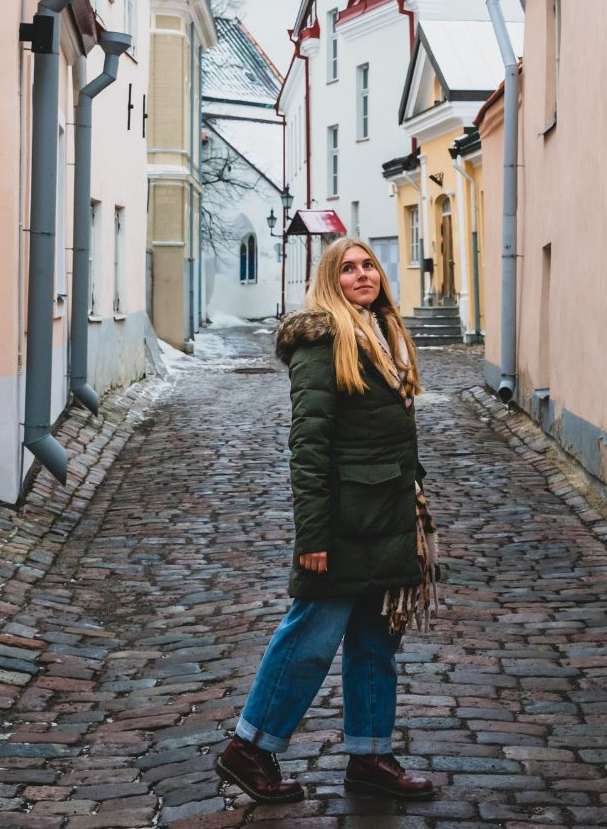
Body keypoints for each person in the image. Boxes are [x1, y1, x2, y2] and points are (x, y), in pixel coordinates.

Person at [215, 237, 438, 805]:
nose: (363, 275)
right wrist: (312, 535)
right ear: (328, 280)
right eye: (348, 269)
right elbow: (308, 446)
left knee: (375, 642)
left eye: (369, 265)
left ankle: (370, 756)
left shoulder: (385, 335)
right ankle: (249, 747)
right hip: (343, 522)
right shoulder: (324, 341)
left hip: (388, 515)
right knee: (310, 639)